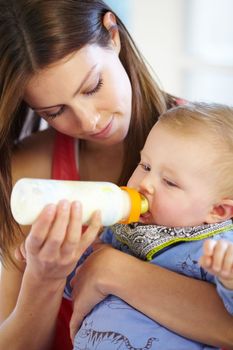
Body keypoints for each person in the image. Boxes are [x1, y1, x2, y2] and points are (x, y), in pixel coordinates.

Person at [0, 1, 232, 349]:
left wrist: (111, 269)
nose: (89, 121)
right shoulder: (31, 178)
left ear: (113, 34)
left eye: (92, 86)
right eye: (55, 111)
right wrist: (44, 278)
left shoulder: (214, 156)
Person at [69, 102, 233, 349]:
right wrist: (58, 258)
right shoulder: (122, 227)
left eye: (169, 182)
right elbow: (80, 285)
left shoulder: (217, 249)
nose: (145, 183)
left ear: (218, 211)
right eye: (145, 166)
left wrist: (229, 280)